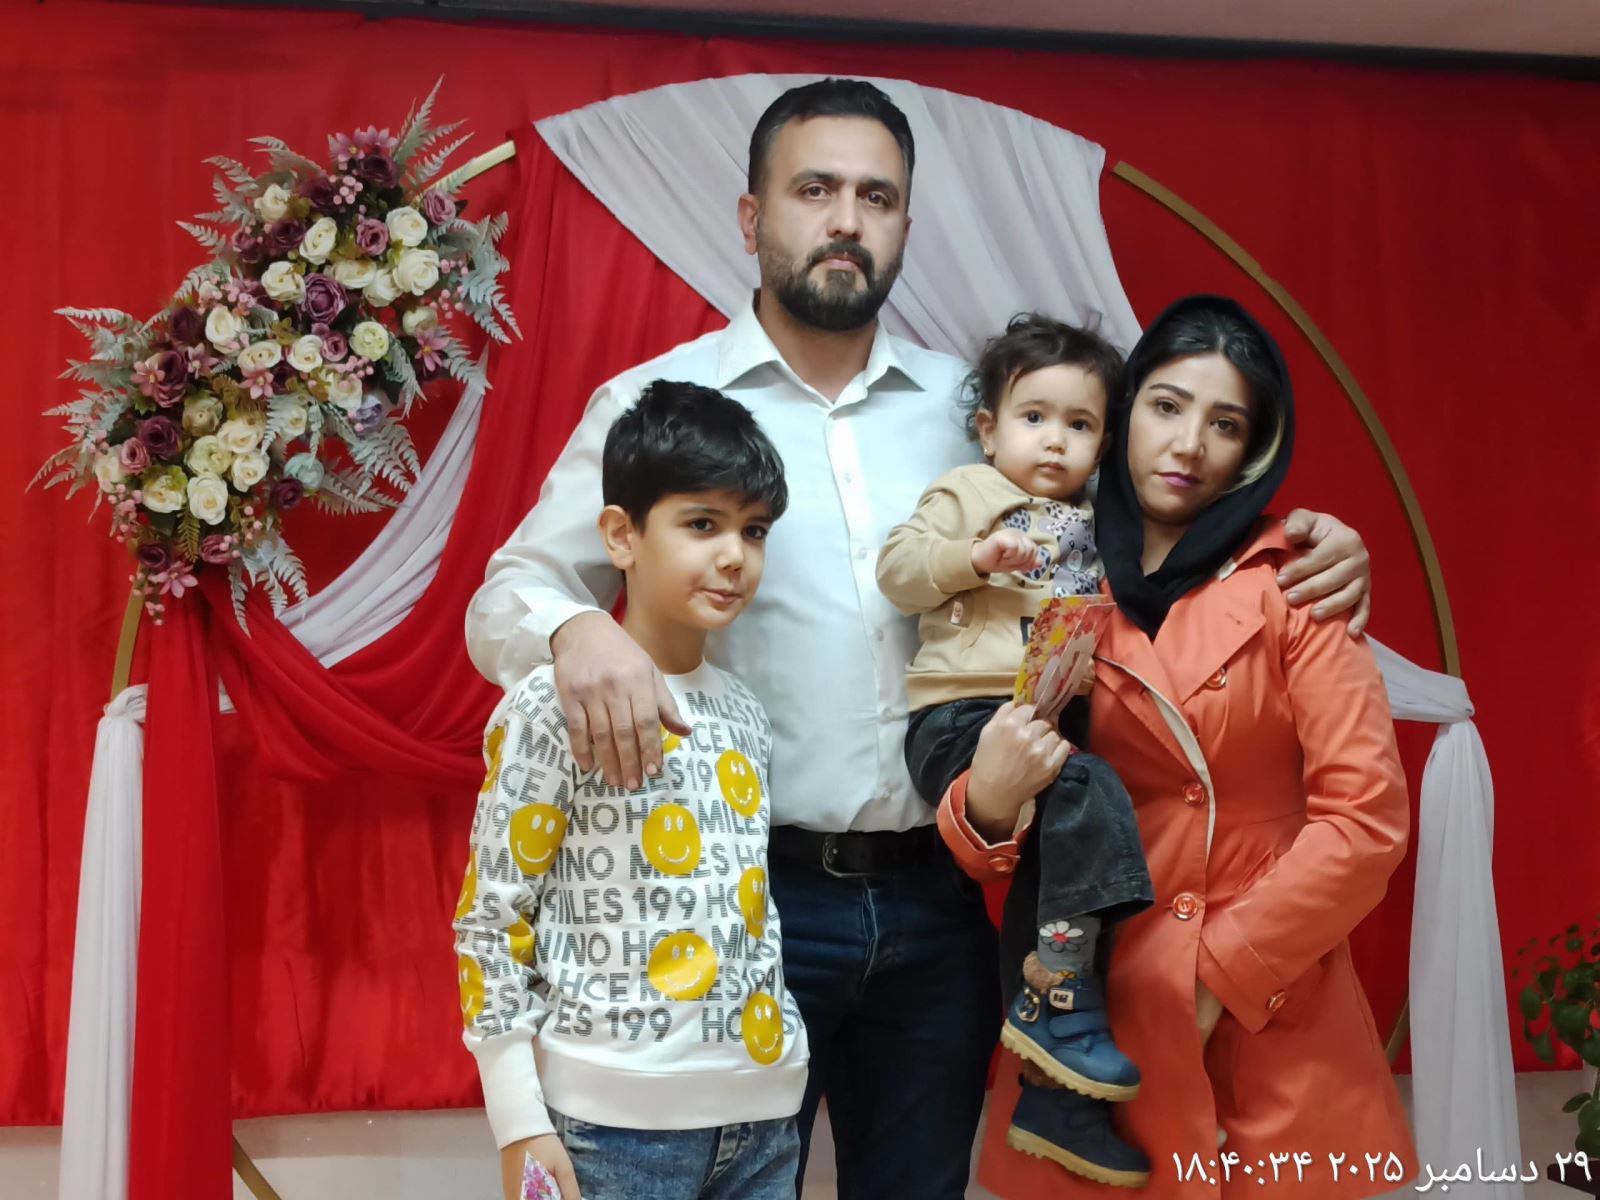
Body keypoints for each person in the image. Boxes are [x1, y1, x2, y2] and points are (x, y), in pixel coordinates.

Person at [466, 78, 1375, 1199]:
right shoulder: (657, 401)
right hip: (743, 899)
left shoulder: (978, 410)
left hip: (942, 899)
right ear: (751, 218)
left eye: (877, 197)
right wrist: (574, 631)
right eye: (814, 190)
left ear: (905, 225)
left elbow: (1150, 519)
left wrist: (1311, 538)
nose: (846, 220)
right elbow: (508, 594)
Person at [939, 295, 1415, 1198]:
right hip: (1088, 1008)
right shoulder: (1040, 571)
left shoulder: (1296, 582)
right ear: (1124, 413)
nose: (1189, 444)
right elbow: (989, 820)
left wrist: (1217, 974)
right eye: (1166, 406)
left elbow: (1366, 822)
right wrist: (987, 802)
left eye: (1225, 424)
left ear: (1255, 450)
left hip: (1266, 1001)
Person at [454, 380, 809, 1200]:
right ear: (621, 534)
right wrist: (519, 1120)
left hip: (764, 1122)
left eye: (754, 530)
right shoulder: (553, 702)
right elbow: (490, 919)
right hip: (611, 1133)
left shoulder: (746, 712)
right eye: (702, 524)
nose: (735, 555)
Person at [877, 313, 1155, 1186]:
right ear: (989, 428)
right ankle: (1059, 1006)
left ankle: (1054, 1089)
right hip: (961, 714)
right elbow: (898, 570)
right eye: (1035, 417)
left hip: (1048, 716)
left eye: (1080, 424)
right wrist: (974, 555)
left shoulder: (1098, 522)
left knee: (1058, 879)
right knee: (1089, 796)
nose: (1055, 440)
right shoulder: (967, 491)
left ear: (1104, 444)